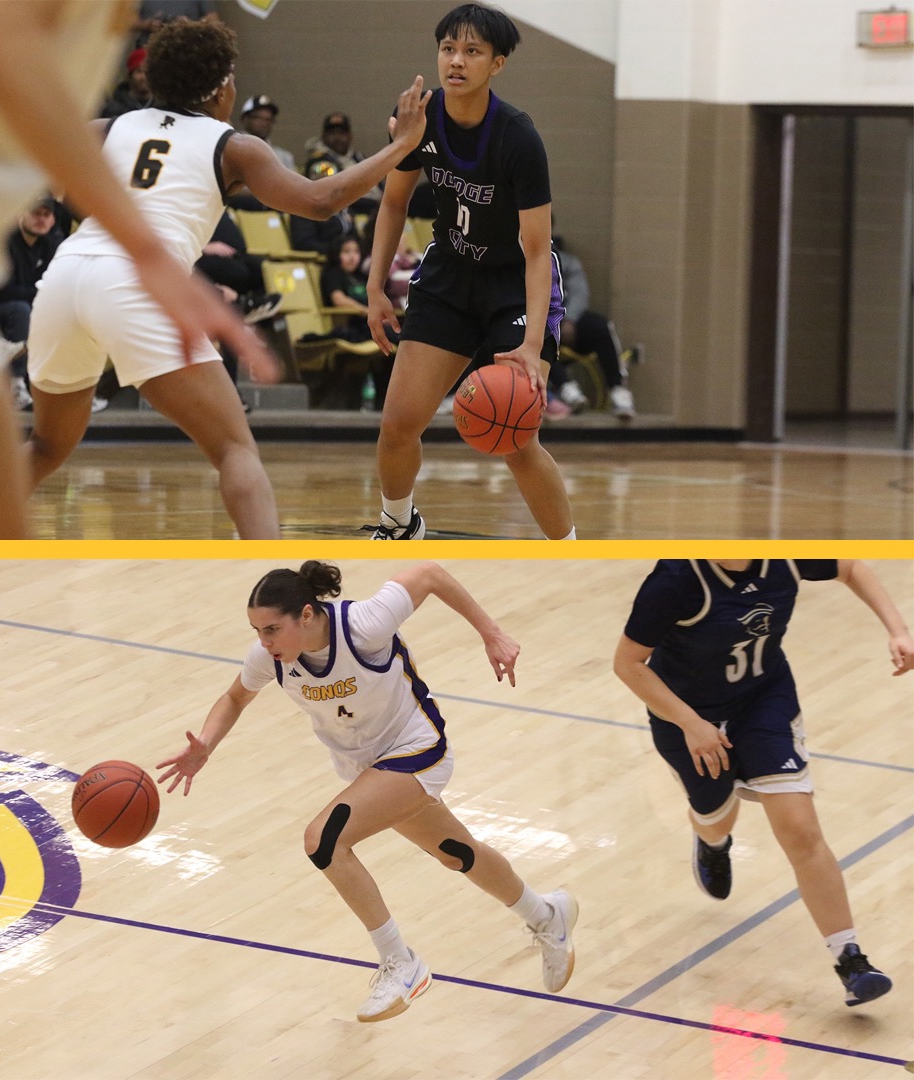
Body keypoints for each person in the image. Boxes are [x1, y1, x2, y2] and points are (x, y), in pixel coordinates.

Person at [24, 19, 430, 540]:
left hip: (66, 275)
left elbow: (56, 186)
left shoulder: (104, 129)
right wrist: (400, 148)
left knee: (45, 445)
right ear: (219, 89)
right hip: (136, 282)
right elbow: (320, 201)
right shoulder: (234, 146)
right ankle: (271, 573)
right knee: (235, 450)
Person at [156, 562, 578, 1022]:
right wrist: (206, 746)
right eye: (258, 631)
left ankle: (401, 962)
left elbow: (429, 573)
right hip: (369, 769)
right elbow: (236, 697)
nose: (265, 642)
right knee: (458, 852)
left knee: (323, 840)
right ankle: (546, 914)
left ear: (308, 614)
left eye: (273, 629)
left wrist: (491, 633)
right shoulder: (270, 661)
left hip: (417, 749)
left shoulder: (363, 626)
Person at [0, 0, 275, 540]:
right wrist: (148, 252)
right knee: (233, 445)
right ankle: (269, 566)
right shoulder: (206, 140)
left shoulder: (119, 122)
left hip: (36, 268)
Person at [613, 559, 911, 1007]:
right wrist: (692, 724)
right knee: (716, 817)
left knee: (801, 829)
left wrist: (898, 630)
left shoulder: (787, 553)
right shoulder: (676, 579)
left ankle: (851, 959)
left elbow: (851, 567)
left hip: (762, 701)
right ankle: (711, 843)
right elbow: (627, 663)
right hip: (686, 715)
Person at [365, 3, 575, 541]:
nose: (456, 61)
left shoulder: (518, 137)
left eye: (472, 52)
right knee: (397, 425)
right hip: (450, 275)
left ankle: (567, 549)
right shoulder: (418, 114)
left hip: (514, 285)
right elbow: (392, 205)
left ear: (497, 64)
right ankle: (398, 524)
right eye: (448, 49)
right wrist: (374, 287)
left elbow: (535, 249)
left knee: (515, 437)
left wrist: (531, 345)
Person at [549, 234, 635, 420]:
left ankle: (617, 388)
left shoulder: (568, 262)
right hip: (540, 322)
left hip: (567, 320)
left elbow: (580, 293)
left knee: (600, 326)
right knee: (539, 332)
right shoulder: (519, 258)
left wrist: (569, 319)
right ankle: (567, 389)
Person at [0, 200, 62, 345]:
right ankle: (19, 365)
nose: (41, 219)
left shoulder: (51, 246)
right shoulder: (4, 243)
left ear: (52, 220)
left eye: (46, 215)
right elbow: (1, 292)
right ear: (20, 215)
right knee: (20, 310)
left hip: (31, 304)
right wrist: (41, 293)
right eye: (36, 213)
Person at [236, 94, 296, 175]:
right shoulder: (233, 149)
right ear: (244, 119)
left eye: (268, 119)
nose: (263, 123)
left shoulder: (283, 157)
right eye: (258, 118)